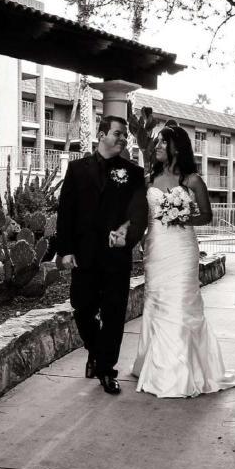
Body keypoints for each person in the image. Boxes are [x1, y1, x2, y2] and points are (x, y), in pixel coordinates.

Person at [131, 125, 235, 398]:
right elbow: (142, 216)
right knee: (156, 302)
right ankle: (152, 365)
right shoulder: (149, 179)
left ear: (176, 147)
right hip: (156, 249)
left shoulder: (192, 180)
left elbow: (206, 215)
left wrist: (182, 216)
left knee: (180, 304)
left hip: (182, 250)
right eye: (157, 143)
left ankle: (177, 375)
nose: (157, 147)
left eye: (162, 143)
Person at [57, 115, 148, 394]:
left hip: (116, 257)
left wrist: (126, 236)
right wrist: (65, 250)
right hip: (84, 255)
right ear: (101, 135)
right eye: (118, 134)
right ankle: (95, 352)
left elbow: (139, 214)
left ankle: (107, 369)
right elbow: (66, 212)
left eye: (125, 135)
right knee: (82, 308)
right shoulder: (77, 169)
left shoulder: (132, 172)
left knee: (114, 314)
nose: (123, 139)